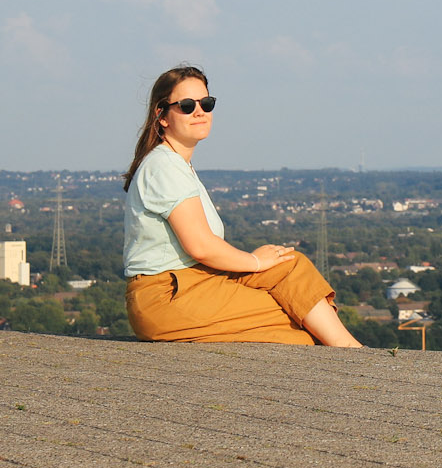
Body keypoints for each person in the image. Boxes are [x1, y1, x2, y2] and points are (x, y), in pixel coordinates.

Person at [122, 65, 362, 346]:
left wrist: (263, 264)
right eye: (186, 106)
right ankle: (355, 357)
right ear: (161, 116)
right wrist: (256, 262)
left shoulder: (176, 164)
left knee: (290, 266)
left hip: (195, 285)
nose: (199, 112)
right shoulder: (163, 165)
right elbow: (200, 247)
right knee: (299, 317)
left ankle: (351, 351)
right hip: (168, 298)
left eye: (206, 103)